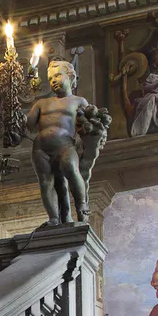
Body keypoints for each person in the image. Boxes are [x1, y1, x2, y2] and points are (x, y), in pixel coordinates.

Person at [26, 59, 109, 226]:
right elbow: (27, 124)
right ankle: (53, 218)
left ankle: (82, 208)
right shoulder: (41, 103)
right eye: (50, 78)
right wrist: (17, 118)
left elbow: (89, 122)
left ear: (70, 76)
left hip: (65, 145)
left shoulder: (78, 101)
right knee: (46, 182)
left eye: (57, 75)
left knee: (71, 168)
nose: (53, 80)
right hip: (41, 148)